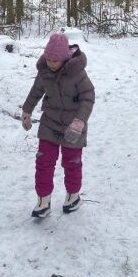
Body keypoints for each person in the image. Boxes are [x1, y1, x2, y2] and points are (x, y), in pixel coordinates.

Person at [22, 33, 95, 218]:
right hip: (50, 122)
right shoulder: (44, 71)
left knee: (72, 162)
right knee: (43, 161)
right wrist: (27, 111)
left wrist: (80, 120)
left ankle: (73, 196)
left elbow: (88, 96)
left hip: (73, 125)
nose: (51, 63)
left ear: (64, 58)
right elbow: (36, 91)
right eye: (48, 59)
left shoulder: (77, 73)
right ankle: (43, 201)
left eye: (55, 60)